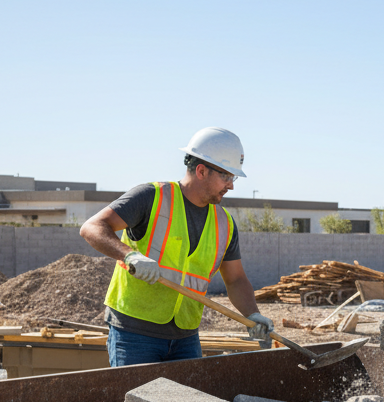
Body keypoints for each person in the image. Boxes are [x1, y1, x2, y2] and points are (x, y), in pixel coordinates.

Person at [80, 127, 273, 366]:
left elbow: (235, 279)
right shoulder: (151, 196)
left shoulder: (225, 224)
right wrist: (130, 256)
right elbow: (92, 227)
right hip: (135, 333)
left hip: (186, 336)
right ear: (201, 170)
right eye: (227, 176)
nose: (231, 185)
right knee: (138, 401)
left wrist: (252, 314)